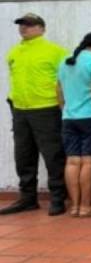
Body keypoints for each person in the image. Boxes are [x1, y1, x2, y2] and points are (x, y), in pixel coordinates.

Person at [1, 13, 69, 216]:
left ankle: (58, 197)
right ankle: (27, 198)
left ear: (41, 28)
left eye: (29, 25)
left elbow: (65, 80)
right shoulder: (14, 52)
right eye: (21, 25)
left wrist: (62, 105)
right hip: (20, 109)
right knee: (23, 155)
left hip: (46, 109)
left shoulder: (56, 52)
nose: (24, 28)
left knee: (53, 155)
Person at [58, 32, 91, 217]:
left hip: (69, 117)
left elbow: (58, 89)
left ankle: (74, 206)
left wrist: (65, 109)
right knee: (89, 162)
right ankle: (87, 206)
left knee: (72, 161)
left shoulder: (64, 61)